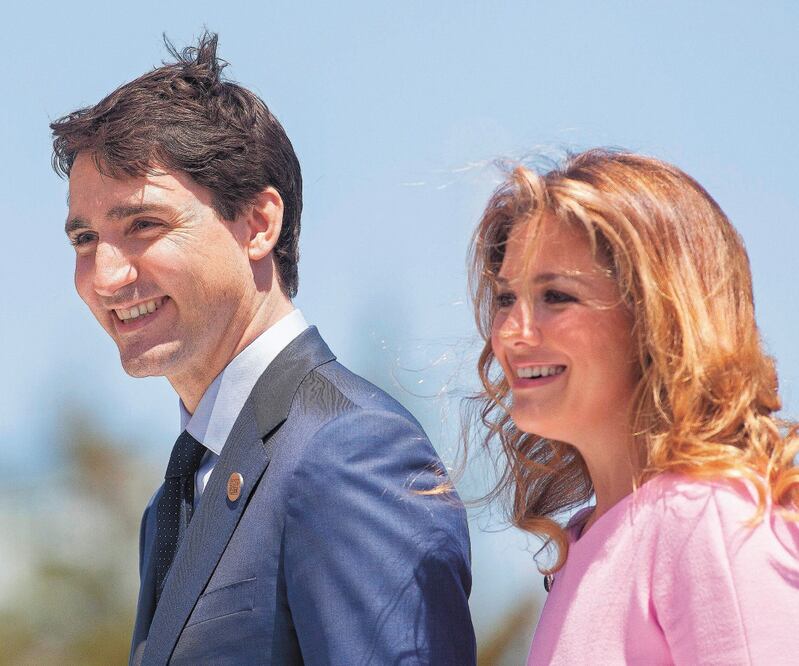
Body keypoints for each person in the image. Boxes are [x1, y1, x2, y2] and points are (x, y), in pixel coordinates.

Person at [52, 33, 475, 666]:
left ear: (258, 225)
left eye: (143, 224)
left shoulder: (350, 451)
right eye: (85, 238)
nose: (105, 276)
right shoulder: (171, 504)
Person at [468, 149, 799, 664]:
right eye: (507, 299)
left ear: (659, 317)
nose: (511, 333)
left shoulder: (707, 518)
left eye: (555, 296)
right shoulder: (585, 541)